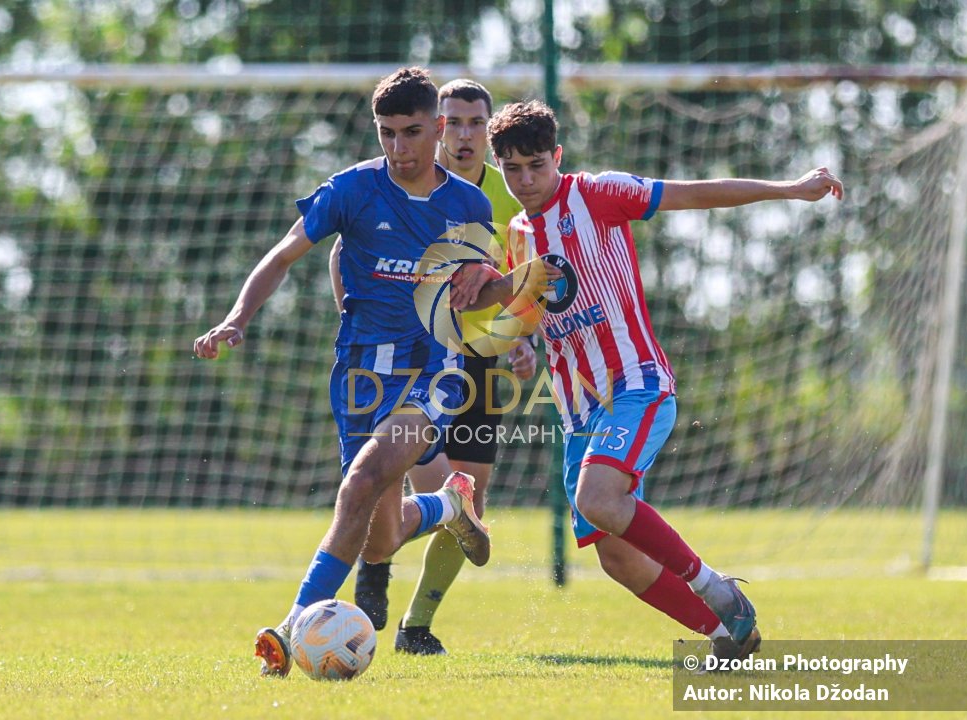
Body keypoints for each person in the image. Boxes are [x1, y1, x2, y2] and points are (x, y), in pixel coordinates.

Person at [462, 100, 843, 660]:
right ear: (500, 165)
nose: (525, 180)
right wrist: (513, 335)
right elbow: (530, 305)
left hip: (635, 383)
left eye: (536, 166)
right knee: (616, 556)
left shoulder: (597, 193)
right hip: (577, 413)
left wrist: (788, 189)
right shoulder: (518, 233)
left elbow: (694, 193)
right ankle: (727, 635)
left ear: (557, 157)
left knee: (598, 496)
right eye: (512, 169)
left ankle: (714, 586)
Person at [193, 67, 496, 678]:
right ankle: (448, 506)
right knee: (378, 538)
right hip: (359, 376)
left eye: (412, 133)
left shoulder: (469, 203)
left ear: (437, 129)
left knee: (358, 484)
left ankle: (289, 628)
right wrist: (236, 317)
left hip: (432, 373)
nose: (399, 148)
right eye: (387, 133)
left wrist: (486, 287)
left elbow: (480, 286)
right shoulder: (352, 190)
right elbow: (282, 256)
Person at [329, 79, 537, 655]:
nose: (466, 134)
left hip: (482, 362)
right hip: (412, 358)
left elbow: (527, 276)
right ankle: (375, 572)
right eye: (457, 122)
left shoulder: (505, 197)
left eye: (478, 124)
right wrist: (355, 318)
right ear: (440, 126)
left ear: (490, 132)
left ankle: (416, 627)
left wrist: (522, 336)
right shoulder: (401, 181)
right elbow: (342, 251)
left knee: (471, 498)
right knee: (419, 482)